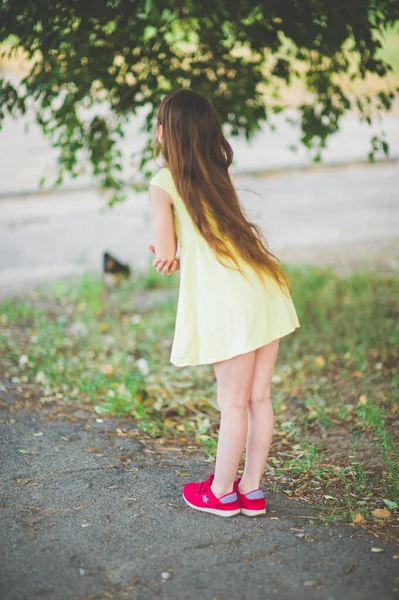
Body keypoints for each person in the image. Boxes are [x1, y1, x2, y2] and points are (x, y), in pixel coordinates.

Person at [148, 89, 300, 518]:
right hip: (264, 286)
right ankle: (250, 490)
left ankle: (219, 492)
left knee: (232, 402)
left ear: (165, 134)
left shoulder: (163, 183)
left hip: (229, 300)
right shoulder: (220, 172)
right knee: (258, 398)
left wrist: (165, 253)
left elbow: (165, 252)